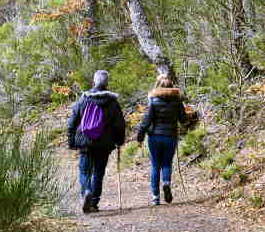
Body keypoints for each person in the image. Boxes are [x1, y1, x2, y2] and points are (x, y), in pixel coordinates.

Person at [67, 69, 126, 213]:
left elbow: (72, 122)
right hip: (104, 144)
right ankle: (93, 202)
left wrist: (72, 141)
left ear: (94, 81)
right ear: (107, 83)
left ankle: (86, 191)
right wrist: (119, 141)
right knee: (98, 173)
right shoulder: (113, 102)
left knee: (85, 171)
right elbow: (120, 125)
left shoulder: (84, 99)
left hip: (86, 141)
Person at [136, 74, 191, 206]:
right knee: (167, 163)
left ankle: (155, 196)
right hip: (170, 136)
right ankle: (166, 183)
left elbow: (146, 121)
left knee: (155, 165)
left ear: (158, 86)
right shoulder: (177, 101)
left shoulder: (153, 100)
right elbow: (183, 119)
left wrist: (140, 137)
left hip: (154, 137)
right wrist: (190, 115)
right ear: (172, 86)